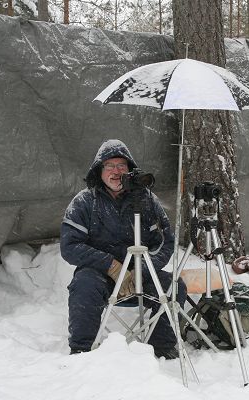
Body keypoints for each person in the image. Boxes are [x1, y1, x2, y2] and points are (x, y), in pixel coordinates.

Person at [60, 139, 186, 359]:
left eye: (122, 166)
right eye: (110, 166)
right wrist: (111, 265)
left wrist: (142, 270)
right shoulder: (84, 202)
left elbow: (165, 241)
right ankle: (80, 350)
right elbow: (70, 246)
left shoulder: (147, 200)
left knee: (174, 287)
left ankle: (162, 347)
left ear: (130, 170)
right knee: (84, 285)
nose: (116, 172)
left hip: (140, 275)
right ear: (99, 171)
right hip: (101, 275)